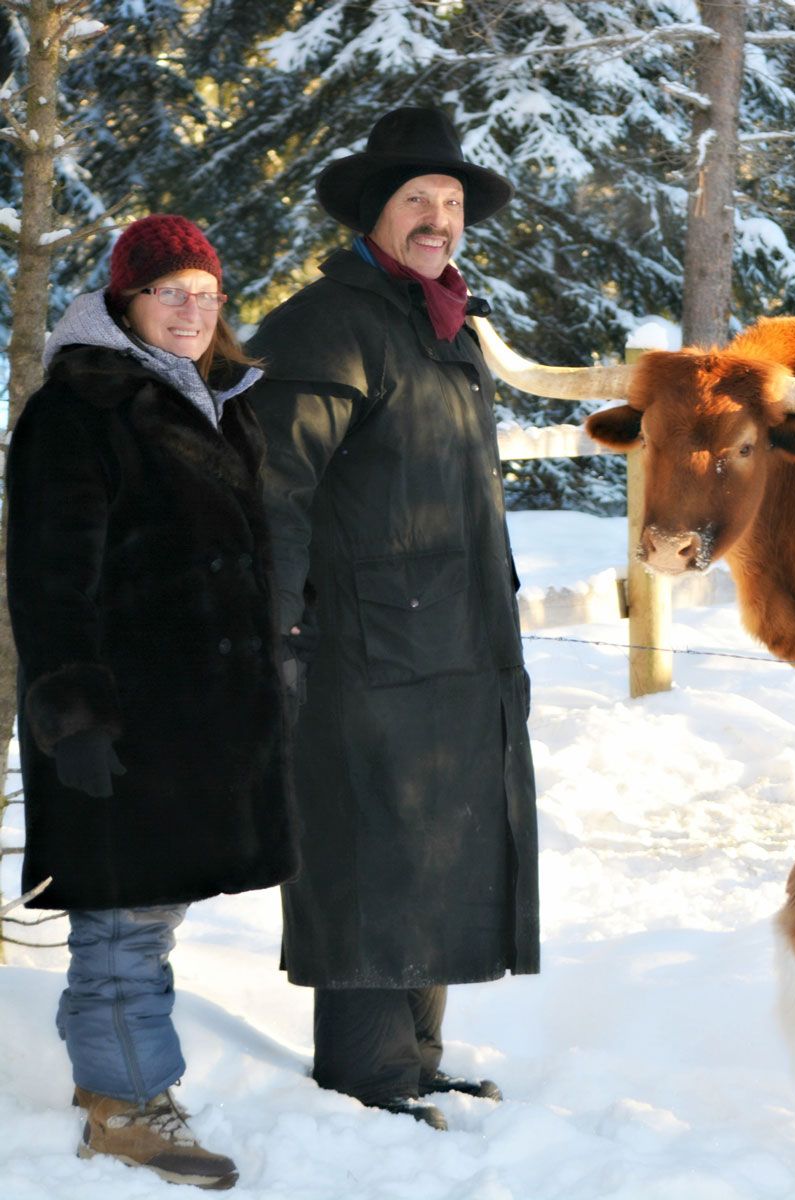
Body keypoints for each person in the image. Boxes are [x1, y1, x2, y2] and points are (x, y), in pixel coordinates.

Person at [247, 106, 539, 1129]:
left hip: (457, 645)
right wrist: (278, 632)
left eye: (450, 202)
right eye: (417, 199)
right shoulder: (326, 325)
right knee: (370, 851)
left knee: (437, 847)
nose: (438, 219)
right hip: (358, 649)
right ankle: (368, 1074)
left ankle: (417, 1059)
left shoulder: (443, 325)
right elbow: (272, 490)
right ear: (375, 211)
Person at [6, 213, 297, 1190]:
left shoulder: (219, 401)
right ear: (124, 301)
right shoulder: (78, 410)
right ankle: (126, 1108)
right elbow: (50, 580)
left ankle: (111, 1081)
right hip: (121, 720)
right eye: (168, 290)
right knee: (121, 921)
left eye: (204, 292)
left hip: (198, 724)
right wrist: (75, 715)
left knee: (146, 916)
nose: (190, 309)